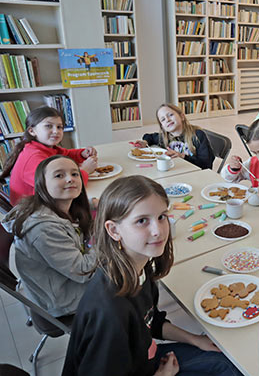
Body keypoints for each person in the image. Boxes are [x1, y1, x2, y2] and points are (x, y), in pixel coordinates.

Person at [62, 176, 241, 376]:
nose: (158, 231)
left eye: (161, 217)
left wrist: (194, 339)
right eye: (141, 221)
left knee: (227, 362)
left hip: (143, 358)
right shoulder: (110, 311)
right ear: (114, 230)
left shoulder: (139, 264)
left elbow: (150, 321)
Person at [2, 155, 95, 317]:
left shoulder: (59, 207)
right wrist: (108, 243)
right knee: (130, 273)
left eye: (75, 174)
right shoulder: (43, 228)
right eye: (59, 175)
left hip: (59, 282)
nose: (70, 179)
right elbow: (83, 272)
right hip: (62, 300)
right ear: (42, 184)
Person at [0, 106, 98, 205]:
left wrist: (81, 153)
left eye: (59, 127)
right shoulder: (33, 157)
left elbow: (66, 154)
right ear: (32, 131)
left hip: (46, 204)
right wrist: (85, 171)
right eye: (48, 126)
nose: (56, 131)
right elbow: (59, 188)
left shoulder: (47, 148)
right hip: (34, 212)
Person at [134, 103, 214, 170]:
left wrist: (183, 156)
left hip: (196, 174)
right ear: (162, 127)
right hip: (176, 171)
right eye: (163, 119)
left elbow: (206, 165)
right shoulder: (165, 137)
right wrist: (145, 142)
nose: (167, 120)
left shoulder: (197, 135)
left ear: (182, 116)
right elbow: (149, 137)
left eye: (170, 115)